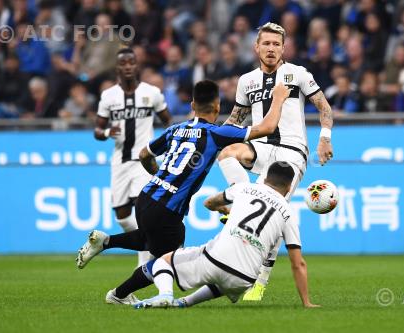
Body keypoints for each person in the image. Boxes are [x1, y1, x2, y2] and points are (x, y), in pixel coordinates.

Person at [76, 79, 292, 305]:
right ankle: (119, 295)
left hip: (146, 197)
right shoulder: (217, 133)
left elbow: (143, 154)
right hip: (167, 209)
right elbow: (267, 128)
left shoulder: (175, 129)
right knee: (167, 260)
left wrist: (160, 176)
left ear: (192, 105)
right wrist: (278, 98)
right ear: (217, 106)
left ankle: (106, 242)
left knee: (149, 240)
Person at [217, 22, 334, 301]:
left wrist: (325, 138)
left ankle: (261, 279)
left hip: (292, 151)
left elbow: (324, 107)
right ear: (256, 47)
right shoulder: (246, 81)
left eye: (276, 44)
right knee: (227, 154)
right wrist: (212, 137)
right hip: (261, 147)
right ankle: (239, 200)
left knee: (273, 210)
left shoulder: (298, 74)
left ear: (284, 48)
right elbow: (236, 119)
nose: (271, 49)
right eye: (266, 44)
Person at [133, 161, 319, 309]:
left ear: (265, 179)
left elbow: (208, 202)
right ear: (289, 187)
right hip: (244, 280)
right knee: (226, 280)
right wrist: (306, 302)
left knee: (163, 262)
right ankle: (185, 302)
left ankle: (165, 295)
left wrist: (222, 209)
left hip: (215, 260)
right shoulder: (288, 212)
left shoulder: (244, 188)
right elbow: (298, 263)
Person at [94, 48, 171, 266]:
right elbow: (97, 131)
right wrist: (108, 132)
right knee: (121, 216)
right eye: (123, 63)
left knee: (142, 207)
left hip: (143, 161)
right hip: (119, 162)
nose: (127, 66)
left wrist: (166, 144)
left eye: (131, 62)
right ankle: (146, 244)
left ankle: (144, 264)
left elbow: (167, 120)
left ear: (137, 65)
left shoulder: (152, 93)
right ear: (117, 67)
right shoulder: (108, 96)